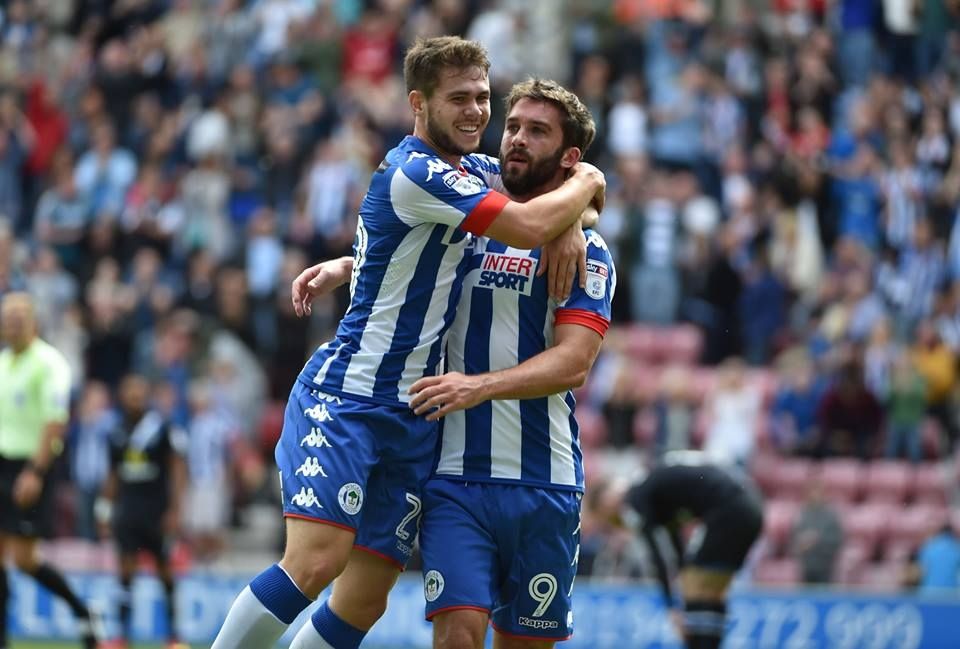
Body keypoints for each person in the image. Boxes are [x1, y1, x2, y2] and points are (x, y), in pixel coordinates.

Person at [211, 36, 604, 649]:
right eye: (459, 99)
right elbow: (528, 221)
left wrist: (576, 217)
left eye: (481, 97)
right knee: (317, 561)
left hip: (414, 418)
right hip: (350, 397)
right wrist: (590, 183)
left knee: (364, 599)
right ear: (418, 103)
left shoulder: (475, 167)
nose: (477, 112)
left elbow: (526, 197)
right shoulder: (416, 169)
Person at [309, 78, 615, 648]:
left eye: (537, 132)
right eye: (515, 126)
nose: (516, 140)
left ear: (570, 159)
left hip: (543, 481)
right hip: (453, 479)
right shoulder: (469, 224)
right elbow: (404, 256)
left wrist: (479, 386)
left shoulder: (585, 251)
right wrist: (347, 265)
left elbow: (574, 364)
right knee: (458, 634)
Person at [0, 292, 103, 649]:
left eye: (19, 315)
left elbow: (55, 422)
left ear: (34, 321)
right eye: (7, 315)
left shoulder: (49, 363)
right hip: (2, 464)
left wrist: (34, 472)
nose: (11, 321)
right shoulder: (2, 362)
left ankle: (82, 610)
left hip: (31, 465)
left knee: (24, 559)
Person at [615, 452, 763, 649]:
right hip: (753, 507)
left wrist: (671, 607)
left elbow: (657, 553)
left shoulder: (637, 497)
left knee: (694, 582)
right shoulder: (658, 487)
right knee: (713, 590)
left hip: (730, 510)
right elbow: (674, 541)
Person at [96, 373, 188, 649]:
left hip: (156, 512)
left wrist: (175, 509)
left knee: (165, 572)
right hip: (128, 512)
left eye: (139, 391)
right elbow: (112, 475)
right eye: (129, 391)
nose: (134, 396)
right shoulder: (116, 431)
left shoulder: (160, 428)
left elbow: (177, 468)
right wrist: (103, 511)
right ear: (122, 395)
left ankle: (173, 636)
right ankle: (122, 636)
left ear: (146, 394)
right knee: (125, 572)